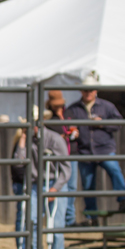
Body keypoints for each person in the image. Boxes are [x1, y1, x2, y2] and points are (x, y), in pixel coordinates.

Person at [64, 73, 125, 224]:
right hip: (85, 150)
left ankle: (124, 199)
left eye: (91, 90)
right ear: (81, 91)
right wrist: (72, 130)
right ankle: (92, 216)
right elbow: (67, 125)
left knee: (115, 171)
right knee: (88, 185)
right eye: (86, 90)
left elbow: (118, 123)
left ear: (96, 91)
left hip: (104, 148)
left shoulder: (106, 106)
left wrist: (103, 123)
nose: (88, 92)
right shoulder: (74, 109)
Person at [13, 106, 70, 249]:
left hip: (54, 182)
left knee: (56, 225)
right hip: (34, 184)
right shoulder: (26, 140)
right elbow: (18, 162)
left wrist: (55, 189)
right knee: (32, 221)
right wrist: (23, 139)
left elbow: (66, 169)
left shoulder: (54, 139)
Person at [46, 90, 79, 227]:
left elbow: (75, 130)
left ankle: (69, 217)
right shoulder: (50, 120)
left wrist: (74, 132)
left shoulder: (69, 115)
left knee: (71, 186)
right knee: (63, 185)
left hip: (72, 154)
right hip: (59, 157)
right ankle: (66, 217)